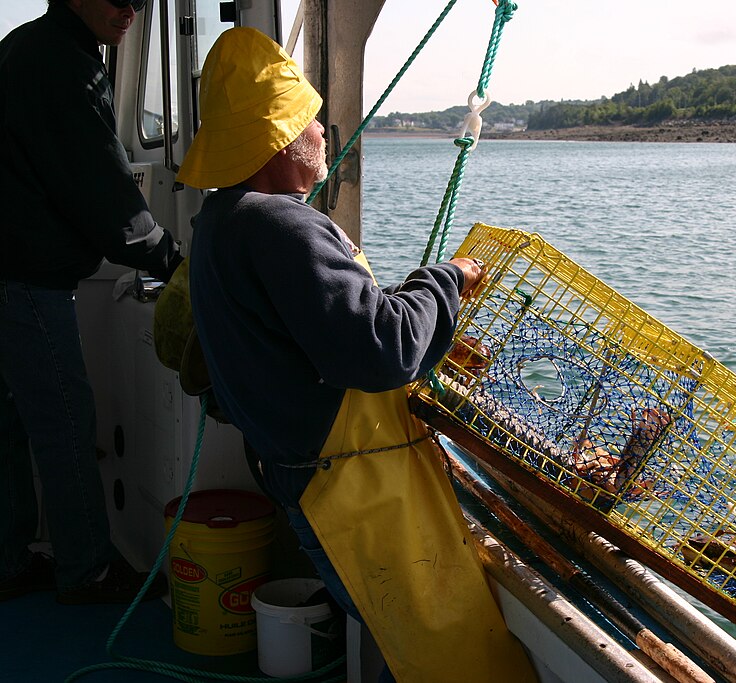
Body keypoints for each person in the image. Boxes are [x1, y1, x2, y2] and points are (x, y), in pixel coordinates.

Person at [178, 27, 536, 682]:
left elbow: (313, 333)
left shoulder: (219, 228)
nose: (323, 132)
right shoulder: (281, 224)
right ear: (281, 139)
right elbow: (385, 347)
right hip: (351, 492)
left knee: (386, 639)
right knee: (436, 651)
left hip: (300, 478)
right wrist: (446, 277)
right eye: (311, 120)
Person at [0, 0, 181, 604]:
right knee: (62, 422)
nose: (129, 7)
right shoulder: (62, 67)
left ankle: (6, 560)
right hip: (23, 278)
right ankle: (88, 572)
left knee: (8, 423)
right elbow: (108, 199)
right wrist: (172, 262)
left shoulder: (29, 48)